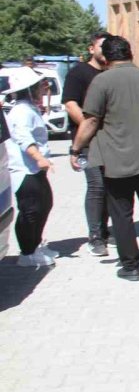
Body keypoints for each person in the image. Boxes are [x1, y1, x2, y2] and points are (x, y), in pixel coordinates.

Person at [70, 36, 139, 282]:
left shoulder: (101, 81)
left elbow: (91, 120)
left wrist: (76, 149)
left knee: (122, 213)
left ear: (105, 57)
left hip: (117, 159)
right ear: (131, 53)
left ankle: (131, 267)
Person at [62, 31, 112, 256]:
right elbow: (71, 104)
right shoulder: (79, 73)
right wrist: (88, 127)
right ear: (91, 49)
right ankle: (96, 237)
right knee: (96, 186)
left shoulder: (112, 73)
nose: (105, 51)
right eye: (102, 46)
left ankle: (106, 231)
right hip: (88, 141)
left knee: (111, 187)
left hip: (110, 141)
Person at [4, 68, 56, 267]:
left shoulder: (29, 108)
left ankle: (35, 244)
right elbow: (22, 136)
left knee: (44, 205)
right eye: (39, 86)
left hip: (34, 169)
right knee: (31, 210)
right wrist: (38, 157)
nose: (43, 89)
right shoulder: (21, 111)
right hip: (26, 169)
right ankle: (27, 253)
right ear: (29, 89)